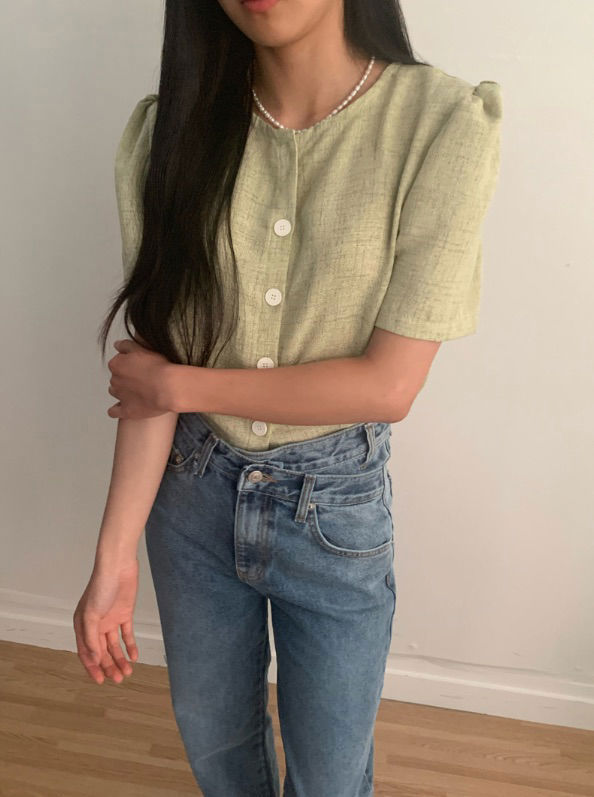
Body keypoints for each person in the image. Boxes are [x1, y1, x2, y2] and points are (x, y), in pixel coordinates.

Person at [73, 1, 502, 794]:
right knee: (217, 749)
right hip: (190, 494)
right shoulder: (173, 129)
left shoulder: (441, 123)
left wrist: (181, 383)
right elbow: (149, 384)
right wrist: (112, 559)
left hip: (333, 508)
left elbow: (388, 385)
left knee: (330, 776)